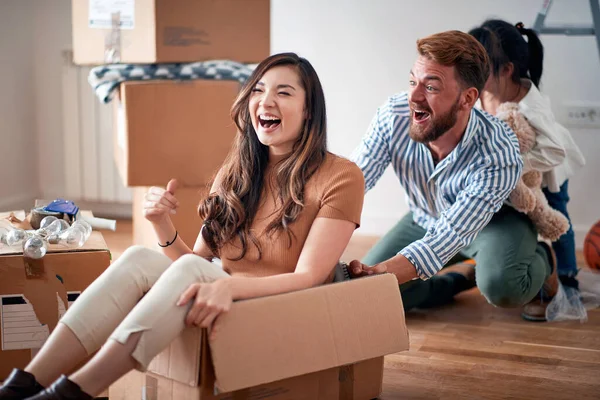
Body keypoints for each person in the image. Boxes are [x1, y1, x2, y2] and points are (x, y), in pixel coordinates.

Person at [0, 53, 365, 399]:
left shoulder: (340, 177)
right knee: (140, 257)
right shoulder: (238, 171)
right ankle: (24, 383)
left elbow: (309, 278)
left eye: (283, 92)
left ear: (309, 111)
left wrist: (230, 288)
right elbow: (193, 262)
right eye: (257, 89)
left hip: (285, 309)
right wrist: (161, 224)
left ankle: (74, 391)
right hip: (225, 297)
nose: (265, 100)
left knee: (193, 270)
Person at [348, 30, 558, 319]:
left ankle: (544, 260)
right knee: (370, 294)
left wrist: (386, 270)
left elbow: (453, 232)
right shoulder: (393, 115)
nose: (414, 97)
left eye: (431, 87)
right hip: (425, 217)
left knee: (502, 286)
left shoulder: (498, 149)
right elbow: (351, 182)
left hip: (494, 222)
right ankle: (458, 280)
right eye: (412, 82)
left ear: (467, 98)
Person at [469, 20, 586, 320]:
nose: (475, 75)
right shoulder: (484, 94)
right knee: (524, 213)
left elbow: (555, 151)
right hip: (519, 180)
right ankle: (516, 260)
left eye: (482, 67)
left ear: (506, 70)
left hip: (549, 171)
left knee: (558, 217)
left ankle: (568, 280)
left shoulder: (531, 106)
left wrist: (512, 164)